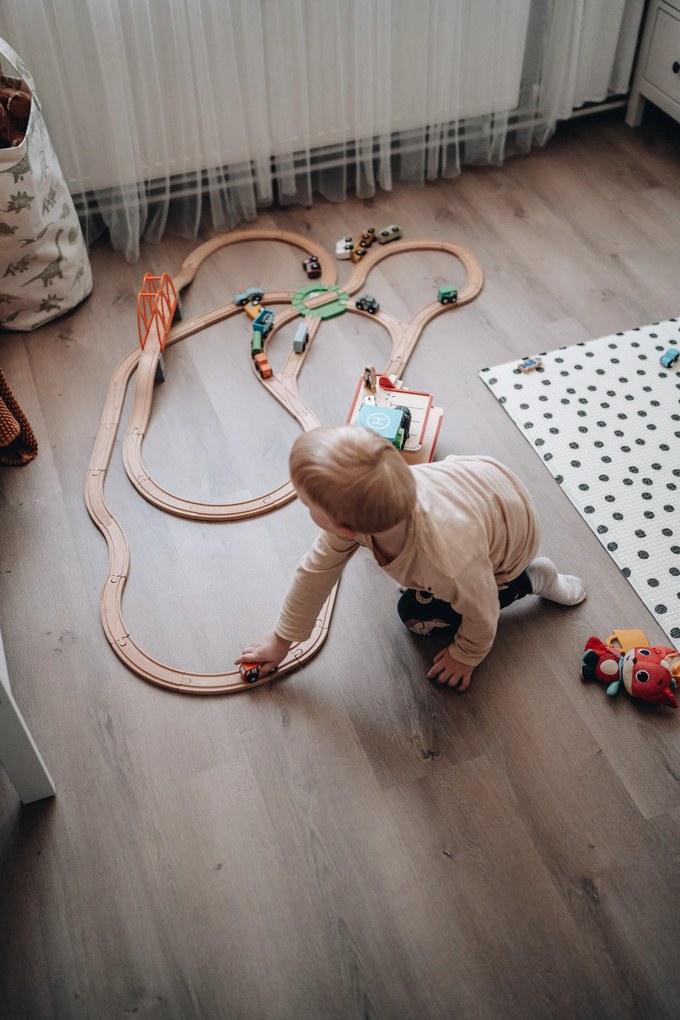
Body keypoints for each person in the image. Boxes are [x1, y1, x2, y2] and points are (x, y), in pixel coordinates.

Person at [235, 425, 586, 690]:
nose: (303, 505)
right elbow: (315, 571)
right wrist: (282, 639)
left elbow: (482, 610)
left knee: (415, 618)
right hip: (480, 484)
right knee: (429, 589)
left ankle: (533, 578)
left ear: (344, 527)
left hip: (511, 545)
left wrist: (466, 655)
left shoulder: (448, 560)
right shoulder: (383, 499)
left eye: (308, 504)